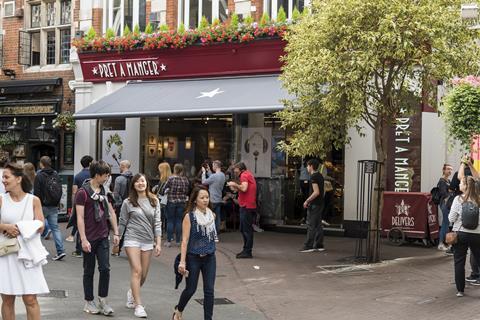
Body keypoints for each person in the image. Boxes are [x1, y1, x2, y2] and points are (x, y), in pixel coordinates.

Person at [0, 163, 49, 320]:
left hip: (28, 254)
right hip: (6, 253)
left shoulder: (33, 200)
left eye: (6, 177)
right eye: (3, 177)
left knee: (30, 299)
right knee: (7, 298)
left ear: (18, 179)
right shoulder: (1, 199)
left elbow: (41, 225)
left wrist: (22, 228)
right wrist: (5, 226)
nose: (3, 180)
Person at [75, 160, 120, 315]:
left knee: (105, 269)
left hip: (102, 236)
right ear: (97, 174)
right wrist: (83, 239)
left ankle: (103, 301)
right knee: (89, 270)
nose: (107, 177)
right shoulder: (83, 193)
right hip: (89, 237)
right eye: (106, 174)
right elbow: (79, 217)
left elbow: (112, 212)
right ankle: (89, 301)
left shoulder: (105, 191)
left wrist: (116, 232)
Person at [118, 173, 161, 318]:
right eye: (137, 182)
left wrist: (158, 243)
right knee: (137, 270)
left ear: (146, 183)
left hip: (148, 240)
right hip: (132, 239)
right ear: (133, 185)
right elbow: (122, 221)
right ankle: (139, 305)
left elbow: (157, 222)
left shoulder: (154, 200)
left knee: (143, 275)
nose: (140, 183)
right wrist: (118, 237)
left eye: (142, 181)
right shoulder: (128, 202)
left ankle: (132, 292)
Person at [173, 186, 217, 320]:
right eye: (202, 198)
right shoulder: (189, 216)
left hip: (210, 257)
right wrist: (182, 261)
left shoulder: (212, 216)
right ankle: (179, 309)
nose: (205, 200)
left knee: (209, 291)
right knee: (191, 289)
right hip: (193, 258)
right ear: (195, 200)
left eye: (207, 197)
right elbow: (185, 240)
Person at [448, 176, 480, 297]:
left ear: (465, 186)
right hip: (477, 235)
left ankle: (460, 290)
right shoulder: (479, 200)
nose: (459, 185)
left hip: (460, 234)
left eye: (461, 183)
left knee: (459, 262)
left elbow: (451, 218)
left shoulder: (458, 199)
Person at [33, 156, 65, 261]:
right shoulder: (56, 174)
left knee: (36, 229)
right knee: (55, 228)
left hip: (42, 205)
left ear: (41, 164)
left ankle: (36, 251)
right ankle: (61, 251)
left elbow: (37, 193)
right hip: (53, 205)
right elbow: (60, 190)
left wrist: (36, 205)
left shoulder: (39, 175)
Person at [227, 162, 257, 259]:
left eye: (236, 169)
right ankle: (246, 250)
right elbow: (244, 189)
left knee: (246, 230)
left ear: (240, 169)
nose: (234, 171)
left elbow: (244, 188)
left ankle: (247, 251)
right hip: (247, 206)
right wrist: (235, 187)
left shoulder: (244, 175)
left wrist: (234, 184)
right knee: (244, 229)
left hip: (246, 206)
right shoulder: (248, 174)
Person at [68, 155, 94, 253]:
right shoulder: (94, 175)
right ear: (90, 163)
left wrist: (73, 205)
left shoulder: (78, 176)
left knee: (80, 223)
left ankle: (79, 249)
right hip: (93, 202)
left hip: (81, 203)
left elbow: (74, 191)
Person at [300, 159, 325, 252]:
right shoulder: (320, 176)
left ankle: (308, 245)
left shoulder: (313, 177)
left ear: (311, 166)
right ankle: (319, 244)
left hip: (314, 204)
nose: (307, 168)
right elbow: (322, 191)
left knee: (311, 225)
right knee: (318, 225)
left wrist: (307, 201)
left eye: (307, 166)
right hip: (320, 203)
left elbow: (316, 192)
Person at [164, 164, 190, 247]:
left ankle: (168, 241)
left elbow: (164, 188)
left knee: (170, 220)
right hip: (181, 201)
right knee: (179, 221)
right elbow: (187, 191)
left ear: (174, 169)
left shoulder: (171, 178)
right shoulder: (185, 179)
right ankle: (178, 241)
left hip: (171, 201)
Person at [112, 160, 133, 256]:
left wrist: (118, 203)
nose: (119, 167)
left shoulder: (119, 179)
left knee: (121, 226)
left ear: (123, 166)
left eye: (120, 165)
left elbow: (116, 193)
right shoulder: (133, 178)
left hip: (122, 205)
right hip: (133, 204)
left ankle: (117, 248)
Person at [201, 160, 225, 242]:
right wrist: (209, 171)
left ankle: (209, 236)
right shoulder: (222, 175)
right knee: (217, 218)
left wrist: (204, 173)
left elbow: (204, 182)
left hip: (212, 199)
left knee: (209, 218)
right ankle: (215, 236)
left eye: (213, 165)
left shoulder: (215, 176)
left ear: (216, 166)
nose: (212, 167)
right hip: (218, 199)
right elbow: (213, 178)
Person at [152, 162, 172, 235]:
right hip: (164, 200)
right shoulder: (166, 179)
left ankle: (162, 232)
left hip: (163, 200)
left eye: (160, 169)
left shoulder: (166, 180)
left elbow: (163, 191)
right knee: (163, 216)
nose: (159, 170)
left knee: (162, 216)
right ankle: (164, 232)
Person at [437, 163, 454, 251]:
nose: (450, 171)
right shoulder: (442, 181)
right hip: (444, 204)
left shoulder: (449, 181)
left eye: (451, 169)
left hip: (448, 204)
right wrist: (450, 192)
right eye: (448, 169)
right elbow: (443, 194)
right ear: (443, 170)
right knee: (445, 223)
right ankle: (441, 243)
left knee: (446, 223)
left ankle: (445, 243)